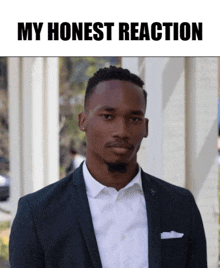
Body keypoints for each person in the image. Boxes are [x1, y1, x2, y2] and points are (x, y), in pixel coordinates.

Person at [9, 66, 207, 268]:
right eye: (108, 116)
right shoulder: (37, 213)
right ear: (83, 121)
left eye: (134, 118)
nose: (121, 131)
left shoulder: (181, 205)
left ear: (145, 127)